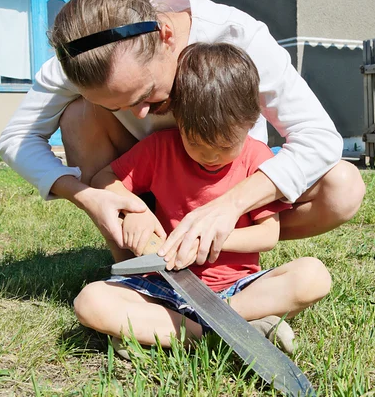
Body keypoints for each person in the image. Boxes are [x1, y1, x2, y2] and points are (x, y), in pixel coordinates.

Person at [0, 0, 365, 270]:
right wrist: (90, 197)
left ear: (166, 35)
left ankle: (219, 254)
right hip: (146, 184)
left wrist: (229, 206)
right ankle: (138, 268)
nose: (140, 114)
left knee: (342, 187)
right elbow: (16, 139)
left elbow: (318, 136)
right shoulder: (81, 59)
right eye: (117, 106)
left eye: (145, 94)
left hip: (228, 187)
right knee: (78, 116)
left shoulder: (237, 36)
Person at [79, 42, 331, 355]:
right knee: (90, 301)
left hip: (236, 289)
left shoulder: (257, 157)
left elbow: (268, 235)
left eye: (226, 146)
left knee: (313, 276)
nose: (211, 156)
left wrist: (208, 241)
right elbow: (104, 178)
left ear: (250, 124)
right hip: (165, 285)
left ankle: (171, 331)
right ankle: (227, 332)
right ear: (178, 120)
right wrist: (135, 211)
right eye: (196, 143)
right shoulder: (161, 148)